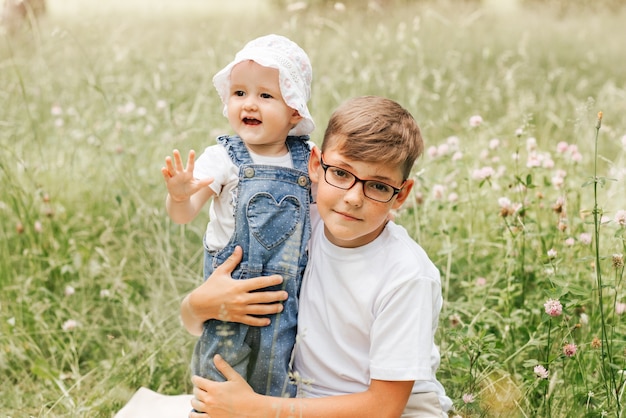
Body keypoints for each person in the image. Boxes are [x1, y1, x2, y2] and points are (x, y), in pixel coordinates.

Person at [185, 96, 453, 417]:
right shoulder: (297, 226)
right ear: (315, 165)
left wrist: (258, 409)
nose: (353, 198)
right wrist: (197, 306)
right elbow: (197, 321)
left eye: (378, 187)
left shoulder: (406, 275)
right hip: (299, 402)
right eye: (340, 174)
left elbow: (385, 406)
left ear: (402, 194)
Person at [161, 34, 315, 398]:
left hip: (282, 308)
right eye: (240, 93)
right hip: (227, 304)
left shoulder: (307, 160)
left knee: (273, 385)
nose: (250, 104)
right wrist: (180, 196)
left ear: (294, 110)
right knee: (218, 381)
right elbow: (184, 214)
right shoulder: (224, 158)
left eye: (265, 95)